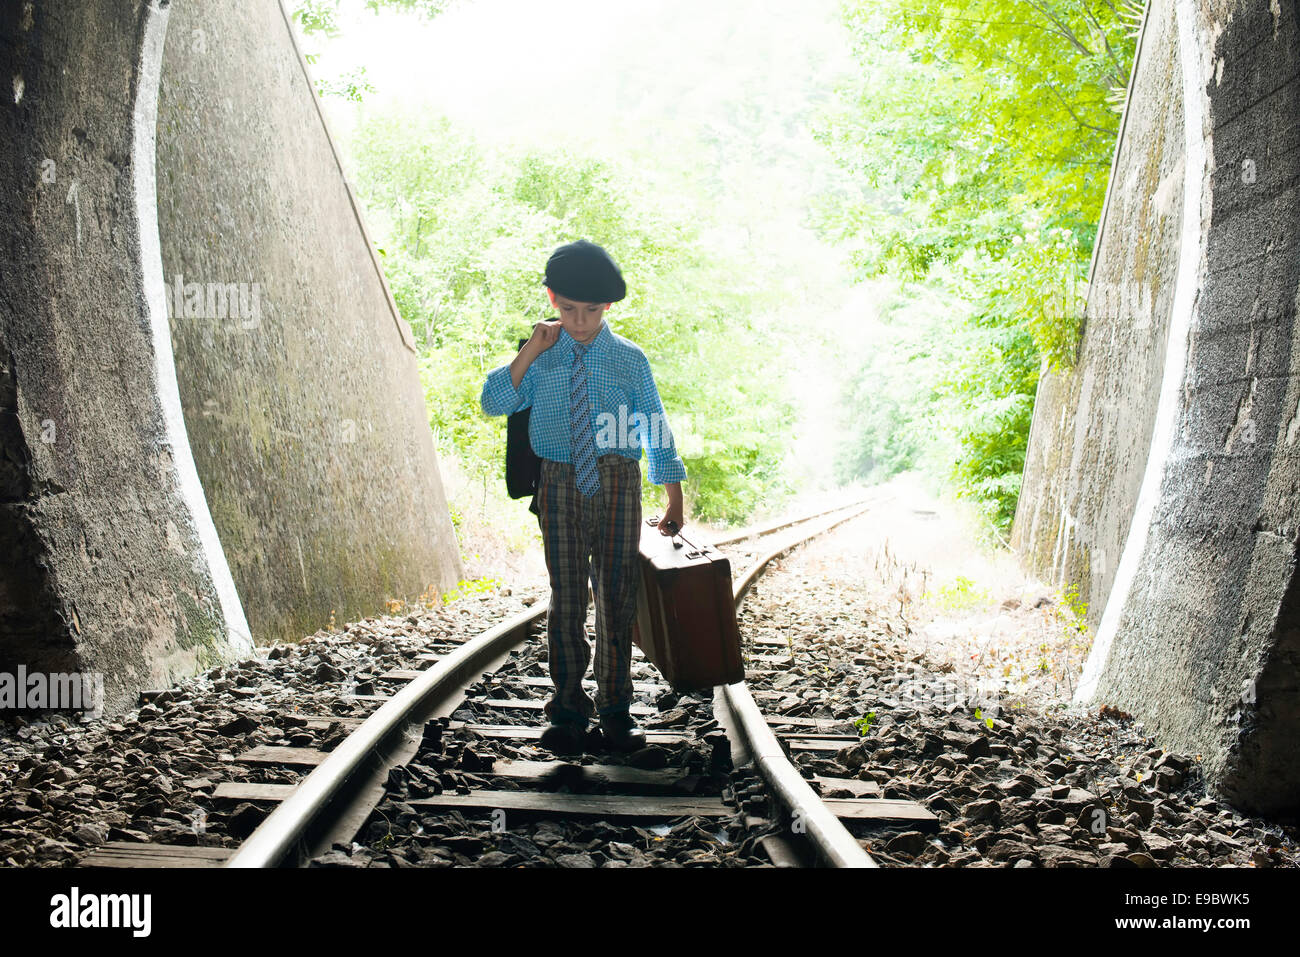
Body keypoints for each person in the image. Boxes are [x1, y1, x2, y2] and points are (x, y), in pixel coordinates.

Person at [480, 240, 687, 755]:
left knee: (615, 596)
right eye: (568, 308)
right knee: (567, 597)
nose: (579, 320)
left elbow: (654, 427)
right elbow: (492, 402)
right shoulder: (541, 359)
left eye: (590, 310)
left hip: (618, 483)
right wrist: (530, 349)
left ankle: (617, 709)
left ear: (608, 308)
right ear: (552, 300)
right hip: (559, 483)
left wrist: (674, 497)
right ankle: (569, 710)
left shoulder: (628, 361)